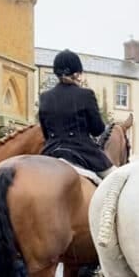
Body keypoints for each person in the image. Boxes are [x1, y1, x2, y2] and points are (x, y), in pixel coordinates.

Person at [38, 50, 116, 181]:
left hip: (51, 153)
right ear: (77, 72)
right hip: (82, 152)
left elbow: (45, 132)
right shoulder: (85, 94)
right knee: (116, 179)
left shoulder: (45, 97)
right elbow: (98, 130)